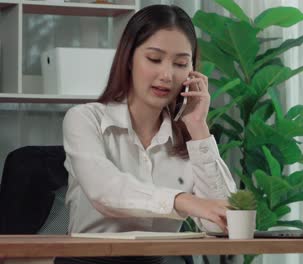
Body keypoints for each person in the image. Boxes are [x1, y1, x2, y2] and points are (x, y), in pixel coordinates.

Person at [56, 4, 237, 264]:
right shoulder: (85, 119)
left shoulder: (188, 139)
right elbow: (104, 191)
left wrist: (198, 126)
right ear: (129, 59)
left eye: (180, 63)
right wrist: (183, 201)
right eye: (154, 59)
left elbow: (222, 224)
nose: (166, 75)